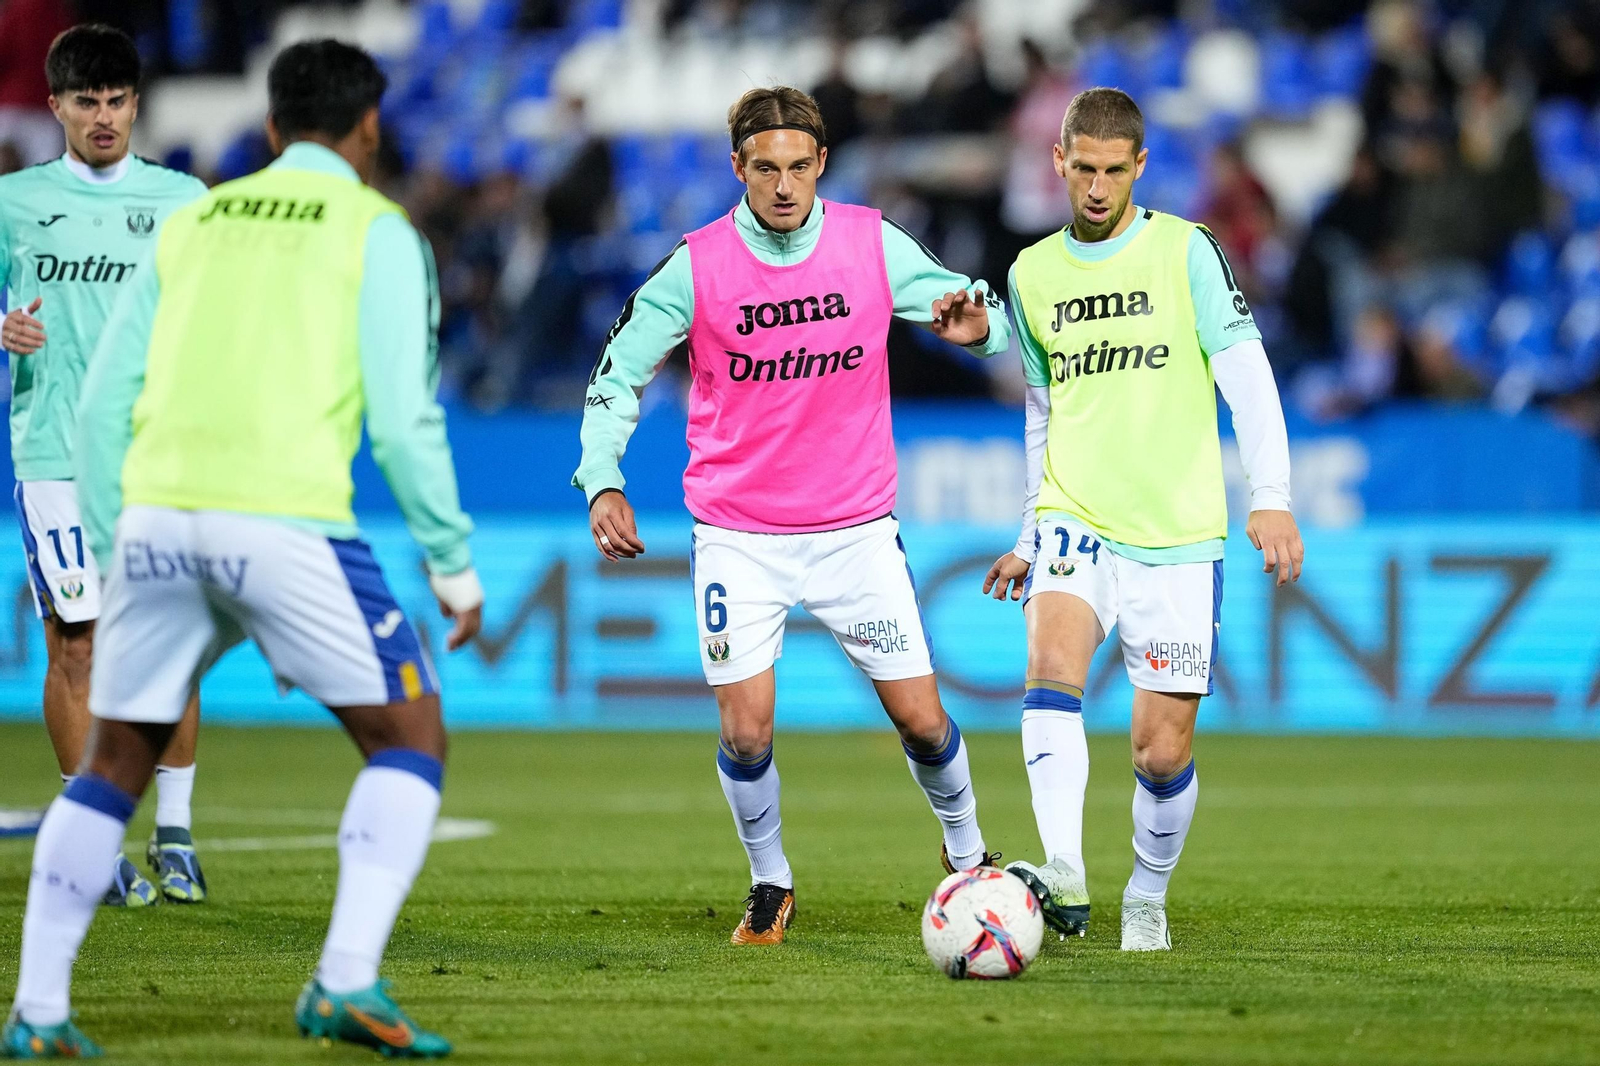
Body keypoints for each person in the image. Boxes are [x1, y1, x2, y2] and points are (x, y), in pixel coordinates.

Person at [2, 38, 483, 1059]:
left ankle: (37, 1012)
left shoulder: (199, 218)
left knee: (111, 761)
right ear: (369, 129)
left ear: (269, 128)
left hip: (155, 515)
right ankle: (343, 981)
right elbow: (404, 423)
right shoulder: (378, 230)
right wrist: (449, 559)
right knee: (411, 738)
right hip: (282, 516)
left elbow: (105, 399)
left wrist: (113, 535)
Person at [575, 86, 1012, 947]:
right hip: (738, 535)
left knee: (924, 722)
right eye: (766, 168)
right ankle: (770, 880)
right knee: (746, 732)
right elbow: (616, 374)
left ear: (822, 165)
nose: (784, 186)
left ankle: (967, 856)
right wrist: (602, 480)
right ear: (738, 167)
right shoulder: (696, 266)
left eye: (799, 167)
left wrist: (980, 328)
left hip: (855, 532)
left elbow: (980, 316)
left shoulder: (871, 244)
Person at [983, 87, 1304, 951]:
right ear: (1058, 162)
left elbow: (1248, 376)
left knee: (1160, 753)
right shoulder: (1031, 274)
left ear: (1141, 167)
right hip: (1075, 513)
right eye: (1082, 169)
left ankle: (1146, 895)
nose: (1096, 188)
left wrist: (1271, 496)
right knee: (1051, 668)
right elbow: (1043, 414)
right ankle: (1064, 870)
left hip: (1176, 531)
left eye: (1113, 172)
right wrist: (1029, 535)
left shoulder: (1186, 251)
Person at [0, 23, 209, 905]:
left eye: (118, 101)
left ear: (136, 105)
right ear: (54, 105)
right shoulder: (14, 202)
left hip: (157, 454)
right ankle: (93, 843)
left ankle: (177, 833)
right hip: (54, 455)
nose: (104, 116)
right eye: (86, 101)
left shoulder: (184, 200)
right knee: (78, 645)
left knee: (172, 641)